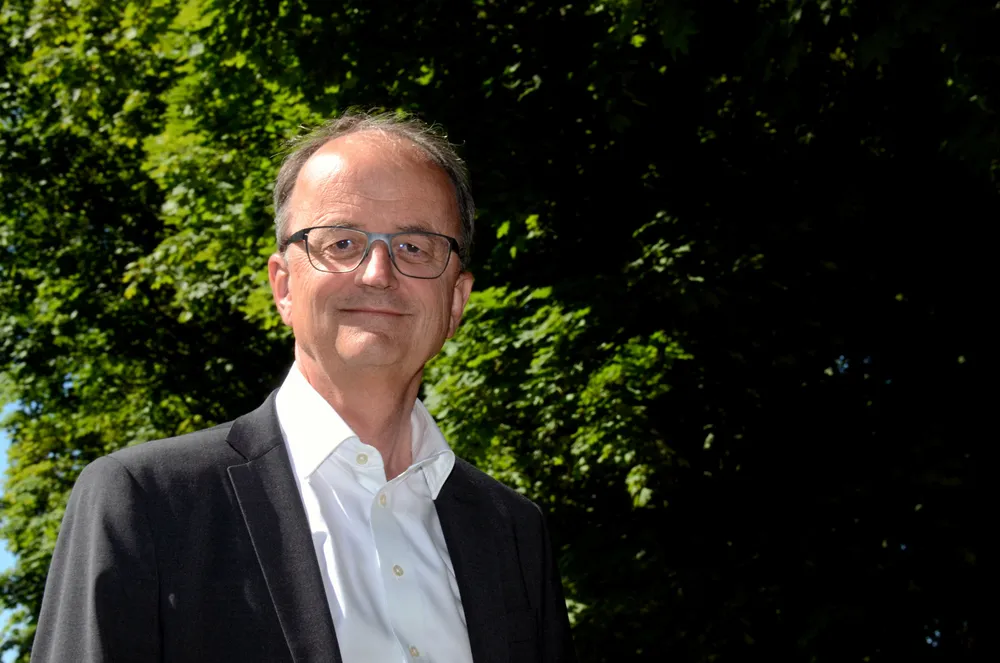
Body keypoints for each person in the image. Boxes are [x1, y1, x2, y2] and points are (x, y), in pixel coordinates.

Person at [31, 112, 576, 663]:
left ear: (456, 300)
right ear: (284, 286)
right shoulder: (147, 503)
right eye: (342, 242)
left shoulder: (513, 532)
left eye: (415, 247)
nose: (377, 273)